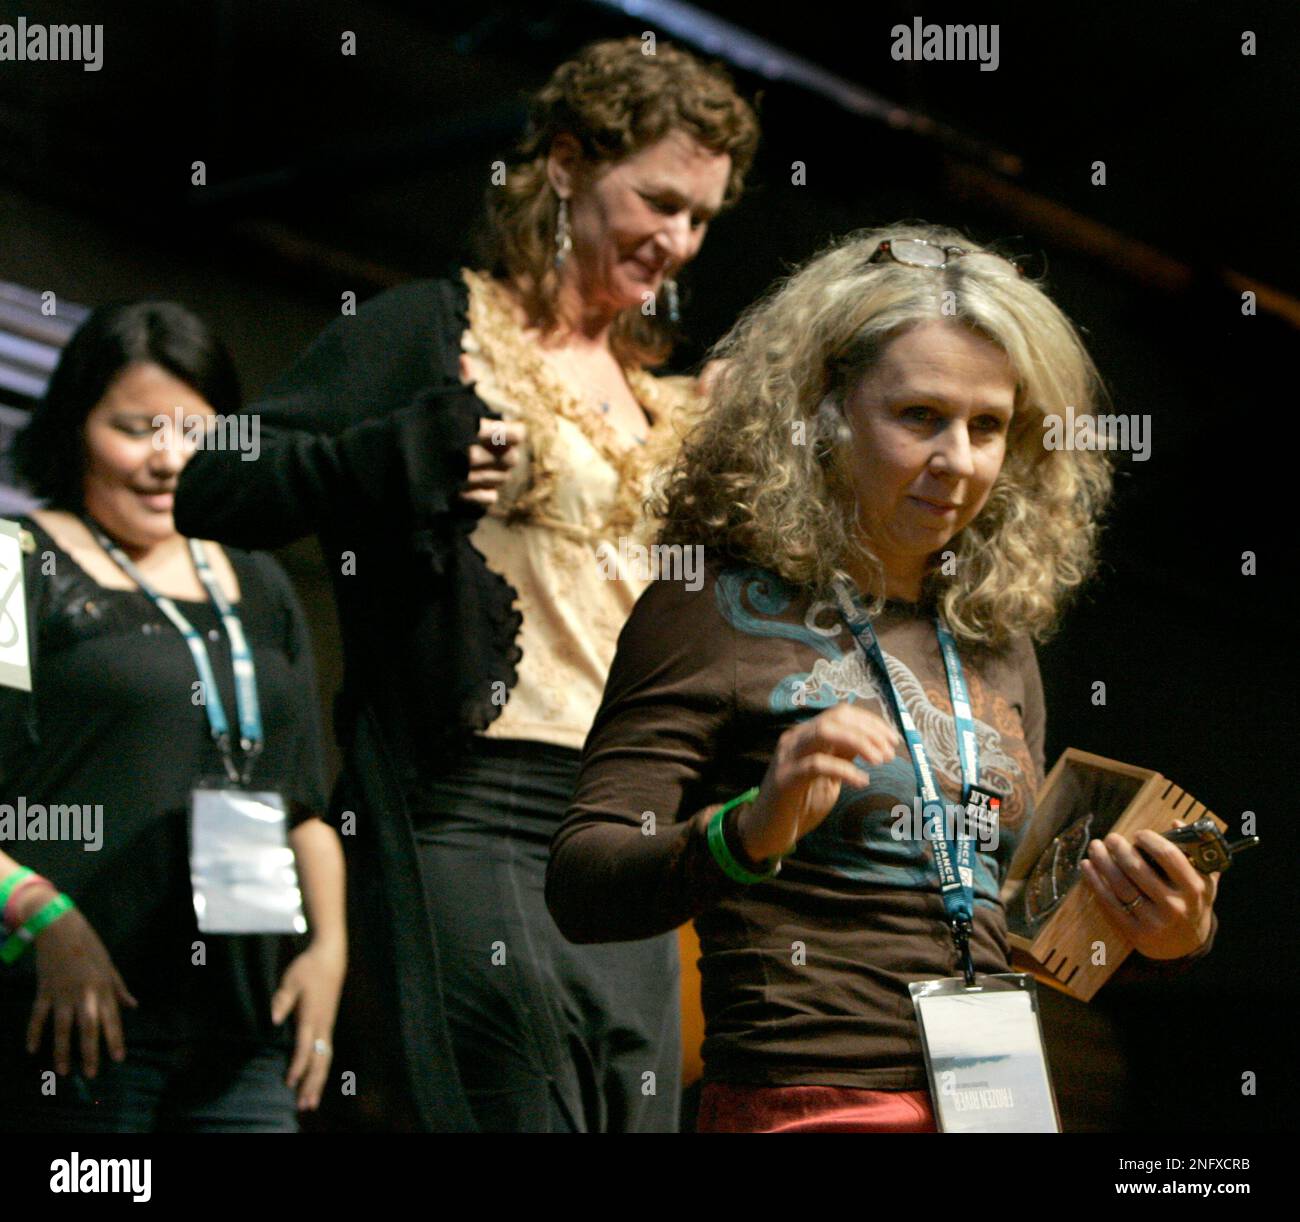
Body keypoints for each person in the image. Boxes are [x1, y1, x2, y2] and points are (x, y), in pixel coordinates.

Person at [173, 36, 759, 1132]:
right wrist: (397, 451)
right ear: (569, 164)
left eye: (700, 217)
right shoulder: (434, 332)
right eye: (659, 200)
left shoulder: (662, 401)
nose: (678, 240)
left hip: (628, 831)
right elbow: (216, 486)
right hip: (480, 813)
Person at [546, 224, 1221, 1133]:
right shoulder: (713, 607)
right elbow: (581, 882)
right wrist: (747, 830)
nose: (960, 460)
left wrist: (1168, 934)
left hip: (995, 1107)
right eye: (919, 417)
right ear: (823, 411)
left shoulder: (992, 634)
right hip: (811, 1104)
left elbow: (1008, 921)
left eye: (988, 426)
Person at [0, 302, 345, 1133]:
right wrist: (42, 913)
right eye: (134, 428)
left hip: (244, 1024)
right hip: (74, 1014)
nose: (168, 458)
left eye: (196, 431)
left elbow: (303, 805)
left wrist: (330, 950)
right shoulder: (13, 561)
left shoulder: (259, 581)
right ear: (75, 428)